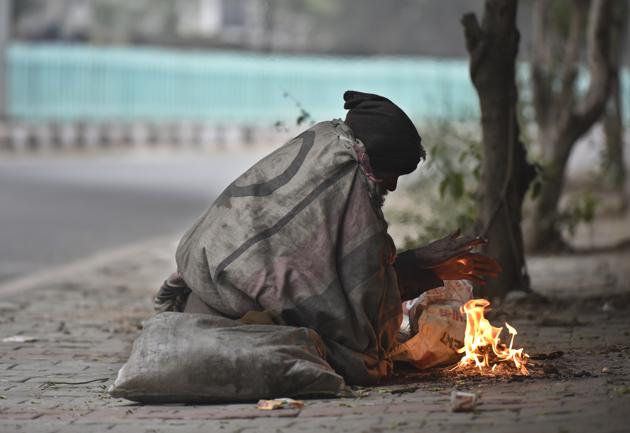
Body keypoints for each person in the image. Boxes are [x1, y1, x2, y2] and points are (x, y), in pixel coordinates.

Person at [154, 90, 501, 385]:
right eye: (392, 174)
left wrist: (424, 264)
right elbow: (352, 312)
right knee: (355, 358)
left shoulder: (324, 149)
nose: (393, 186)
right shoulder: (344, 183)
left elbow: (346, 278)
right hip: (232, 324)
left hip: (199, 305)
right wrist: (423, 267)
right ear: (370, 161)